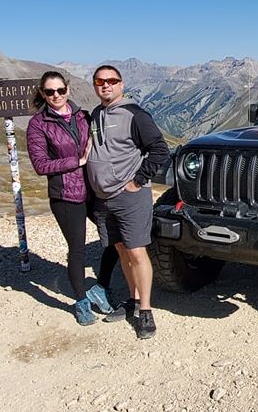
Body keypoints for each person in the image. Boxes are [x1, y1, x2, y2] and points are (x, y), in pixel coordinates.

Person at [86, 65, 170, 339]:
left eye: (111, 80)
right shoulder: (96, 114)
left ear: (121, 85)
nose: (106, 85)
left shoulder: (135, 115)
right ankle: (132, 301)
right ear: (95, 85)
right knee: (122, 250)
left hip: (130, 197)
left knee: (136, 252)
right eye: (100, 81)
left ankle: (145, 311)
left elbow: (159, 150)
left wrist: (137, 181)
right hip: (104, 198)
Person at [26, 71, 116, 325]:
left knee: (114, 237)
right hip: (65, 195)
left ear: (68, 89)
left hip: (94, 189)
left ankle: (101, 287)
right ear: (42, 94)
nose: (56, 95)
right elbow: (41, 165)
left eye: (60, 90)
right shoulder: (38, 124)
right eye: (50, 92)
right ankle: (81, 302)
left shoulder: (83, 116)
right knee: (77, 250)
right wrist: (77, 161)